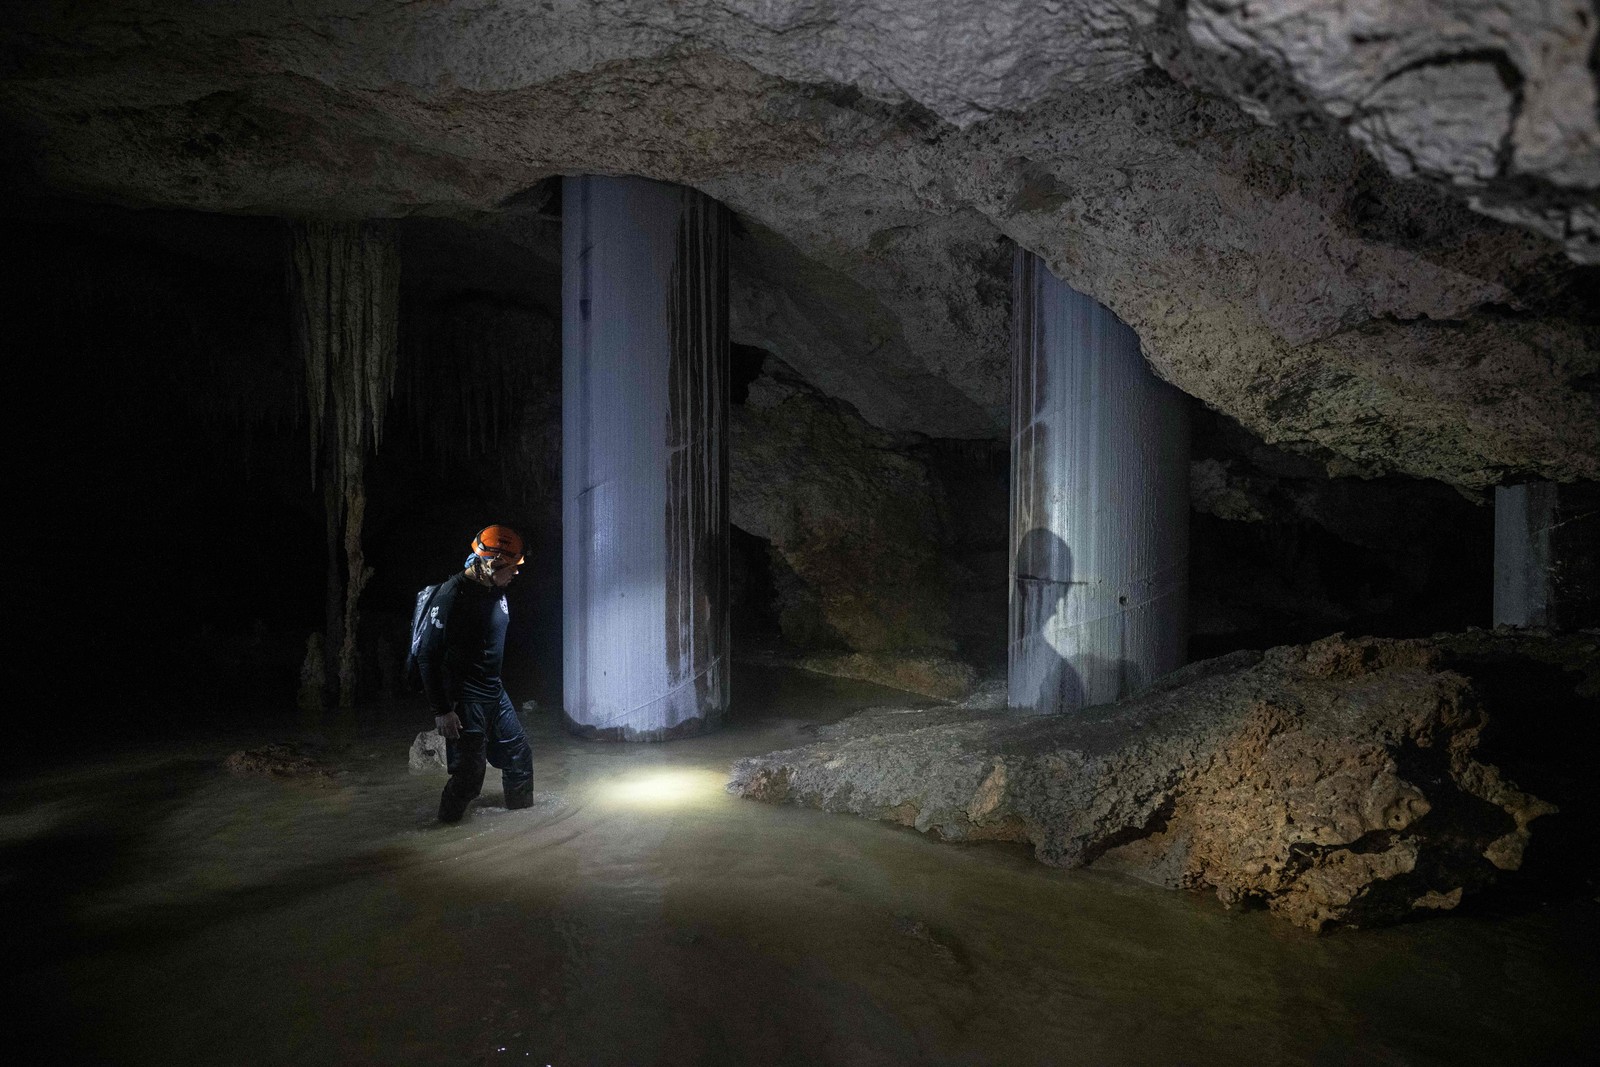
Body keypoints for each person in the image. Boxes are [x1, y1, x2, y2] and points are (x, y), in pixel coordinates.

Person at [416, 524, 535, 822]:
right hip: (466, 698)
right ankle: (442, 833)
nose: (517, 573)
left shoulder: (494, 587)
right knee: (470, 778)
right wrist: (442, 710)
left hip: (494, 691)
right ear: (492, 564)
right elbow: (426, 656)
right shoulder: (452, 596)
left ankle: (525, 829)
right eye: (513, 566)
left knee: (519, 756)